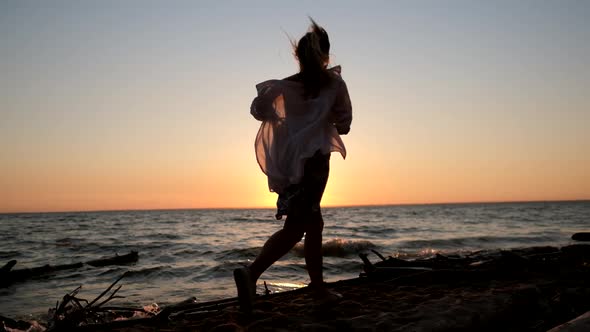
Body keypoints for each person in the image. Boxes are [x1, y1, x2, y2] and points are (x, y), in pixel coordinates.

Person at [234, 18, 352, 312]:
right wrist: (324, 117)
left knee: (312, 223)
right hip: (316, 163)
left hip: (290, 163)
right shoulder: (334, 83)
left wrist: (284, 115)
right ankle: (252, 273)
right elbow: (345, 124)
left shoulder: (285, 86)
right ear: (326, 56)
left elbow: (258, 110)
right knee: (300, 226)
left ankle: (317, 288)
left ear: (298, 56)